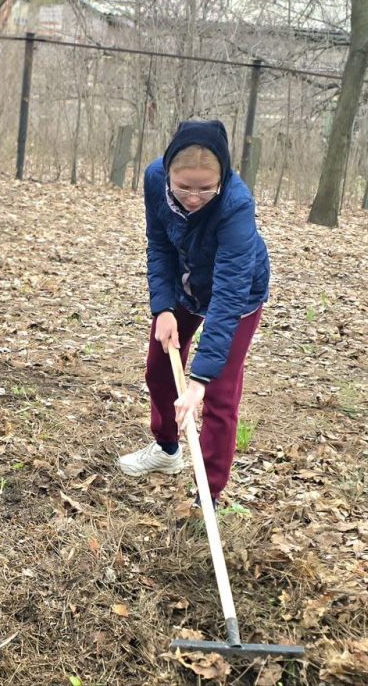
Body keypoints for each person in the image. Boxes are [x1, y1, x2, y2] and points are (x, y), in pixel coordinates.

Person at [116, 120, 270, 508]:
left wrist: (200, 377)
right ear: (168, 173)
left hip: (238, 294)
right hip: (185, 286)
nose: (194, 196)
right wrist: (163, 307)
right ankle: (168, 450)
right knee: (159, 367)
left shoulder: (236, 204)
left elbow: (230, 291)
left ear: (223, 178)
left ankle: (209, 492)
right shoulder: (154, 179)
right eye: (184, 186)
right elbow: (159, 245)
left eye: (206, 188)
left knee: (219, 393)